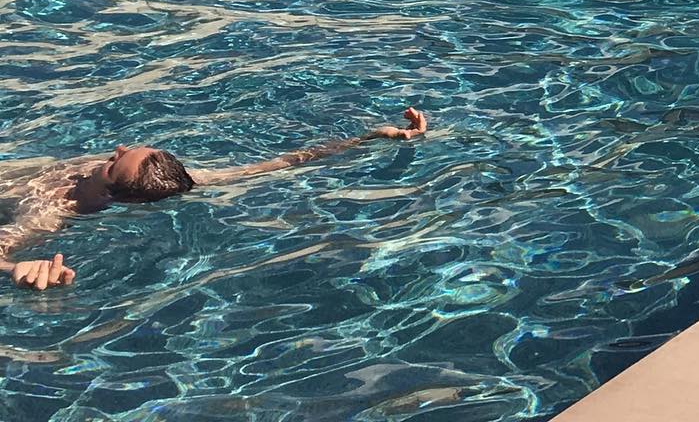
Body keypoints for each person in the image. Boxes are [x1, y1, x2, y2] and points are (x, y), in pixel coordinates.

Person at [0, 106, 427, 291]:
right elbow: (281, 163)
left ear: (116, 197)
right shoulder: (182, 178)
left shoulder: (51, 212)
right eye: (126, 153)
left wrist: (15, 267)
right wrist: (368, 137)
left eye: (115, 164)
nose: (116, 149)